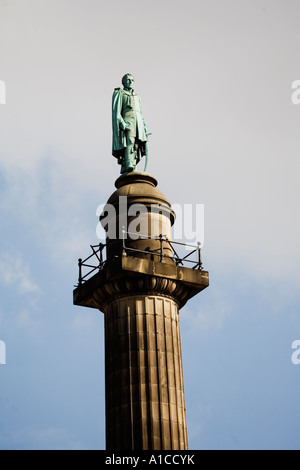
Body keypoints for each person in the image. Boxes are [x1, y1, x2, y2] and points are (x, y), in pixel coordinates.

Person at [112, 74, 148, 174]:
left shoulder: (137, 97)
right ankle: (128, 164)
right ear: (123, 82)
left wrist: (144, 127)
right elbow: (116, 112)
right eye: (128, 80)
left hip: (138, 121)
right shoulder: (120, 93)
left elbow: (140, 112)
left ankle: (133, 164)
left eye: (132, 80)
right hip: (128, 120)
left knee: (136, 143)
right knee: (129, 142)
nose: (130, 81)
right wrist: (122, 123)